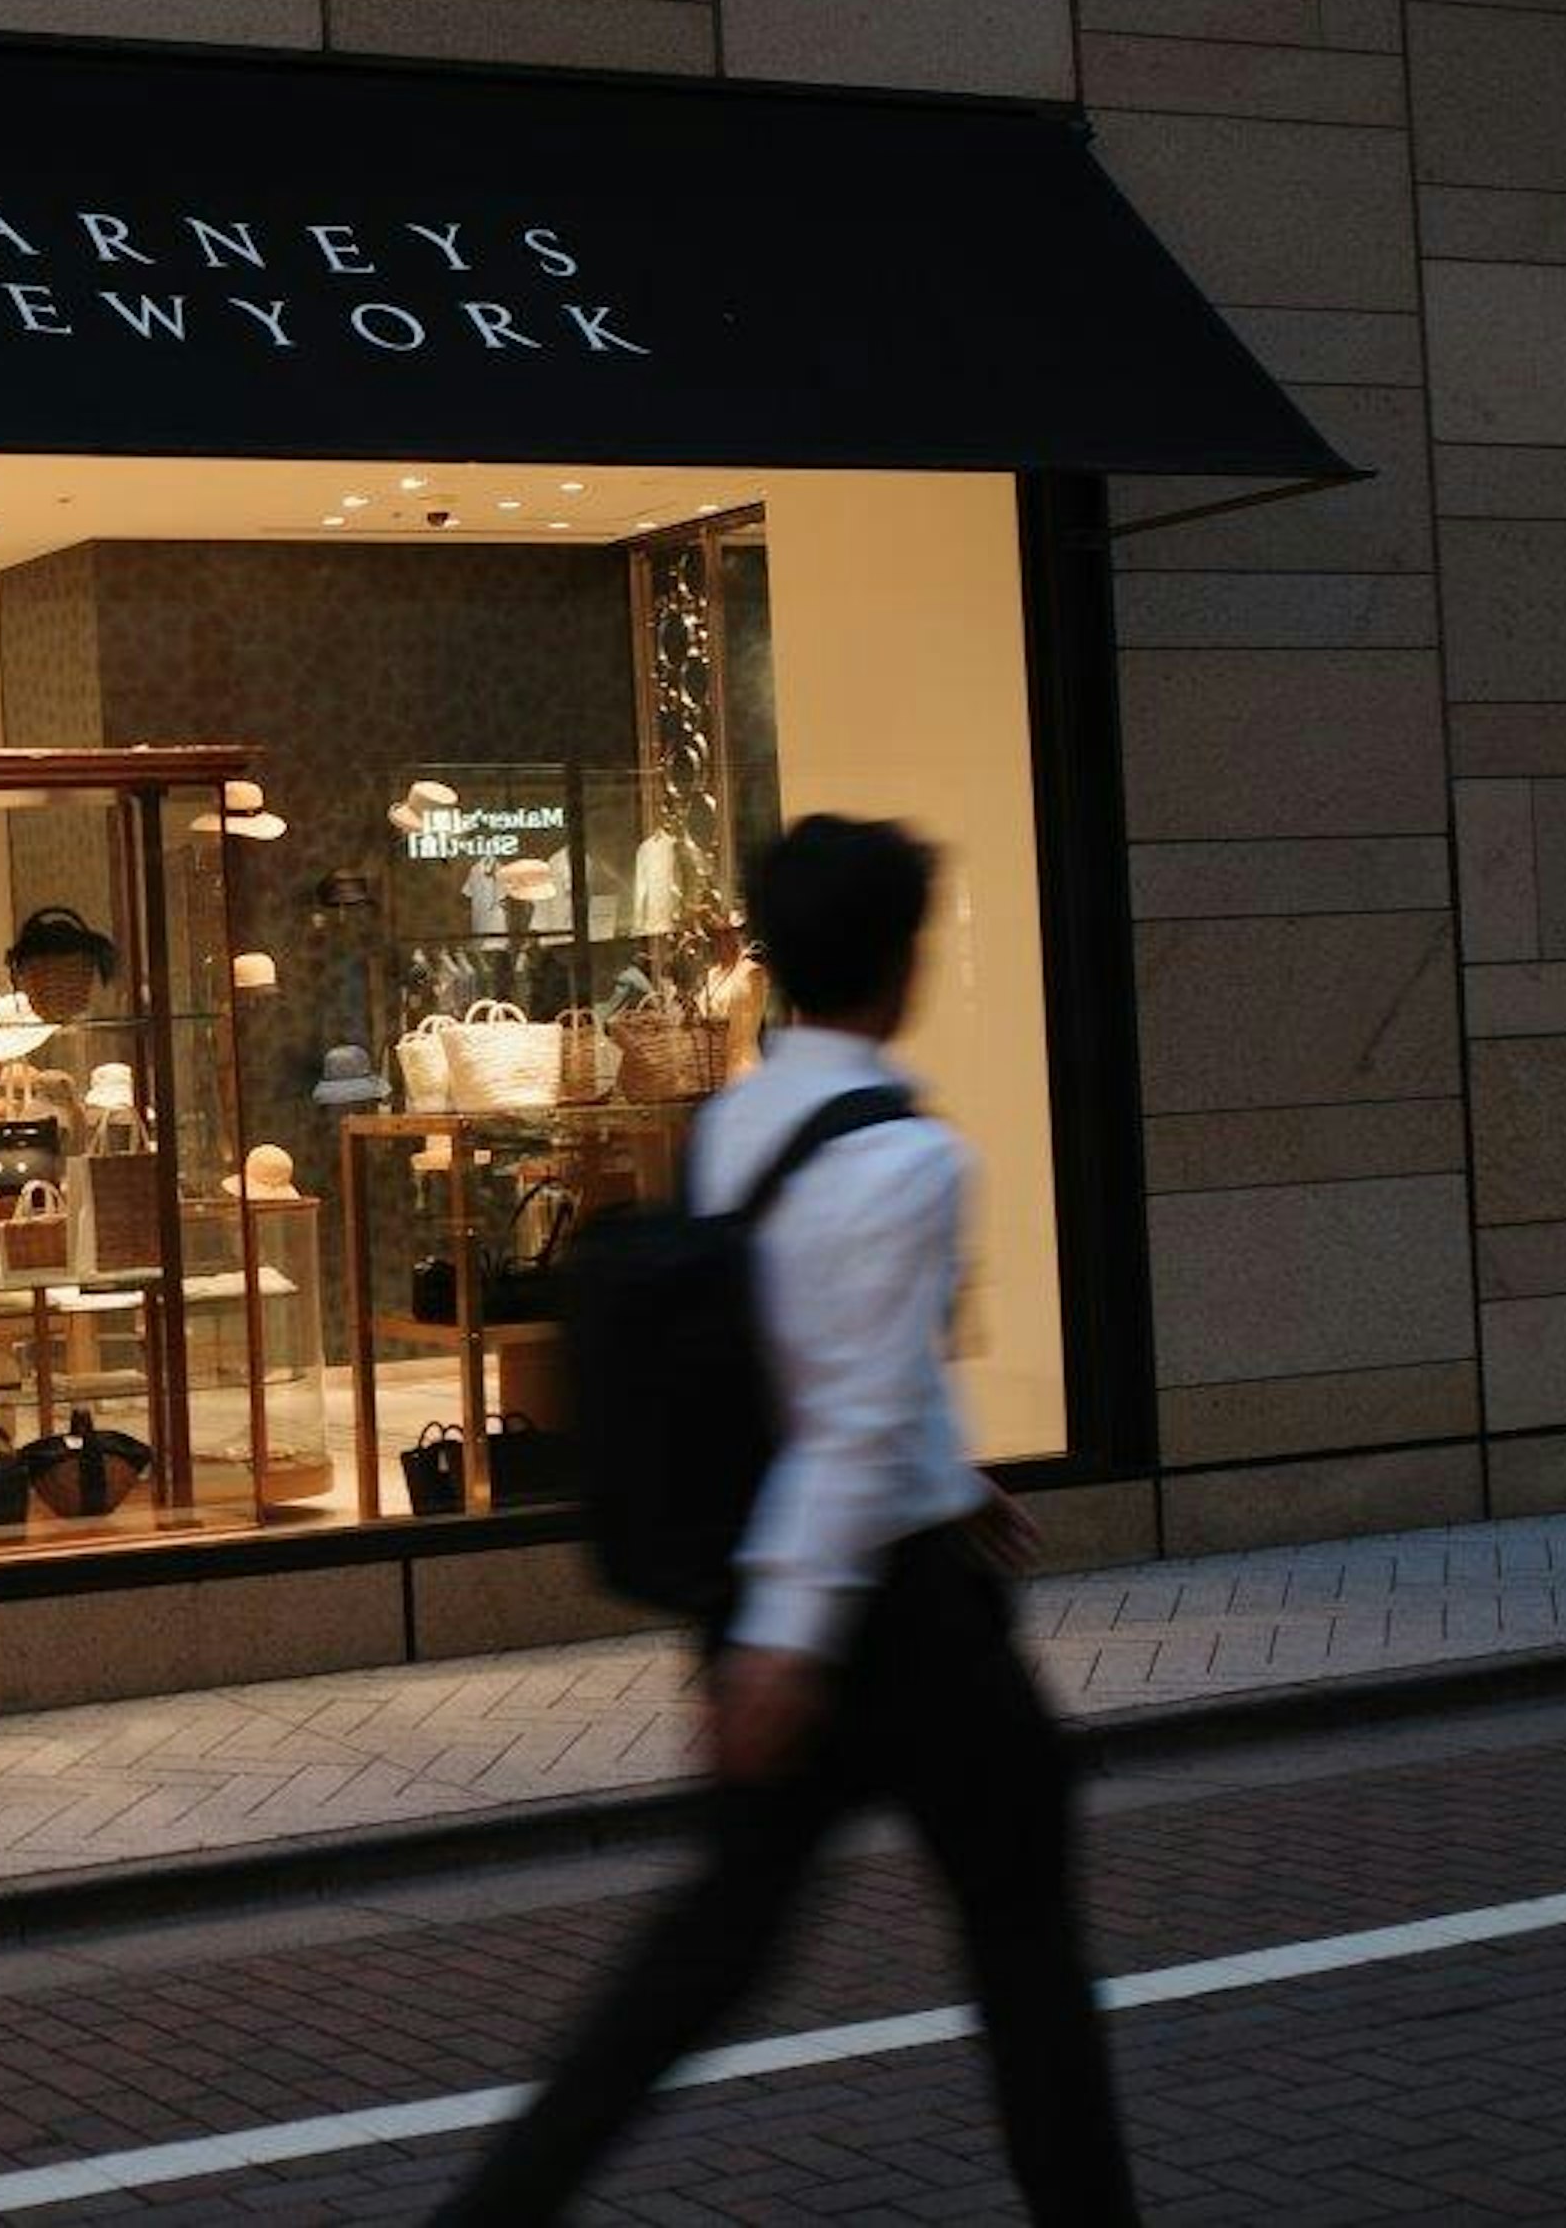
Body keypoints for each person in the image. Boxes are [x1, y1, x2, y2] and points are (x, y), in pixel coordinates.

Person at [435, 815, 1136, 2226]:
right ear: (903, 962)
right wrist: (791, 1644)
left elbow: (794, 1362)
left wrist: (937, 1487)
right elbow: (854, 1409)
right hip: (888, 1623)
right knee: (1025, 1955)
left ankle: (496, 2209)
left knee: (700, 1964)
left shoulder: (737, 1121)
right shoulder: (907, 1158)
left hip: (771, 1589)